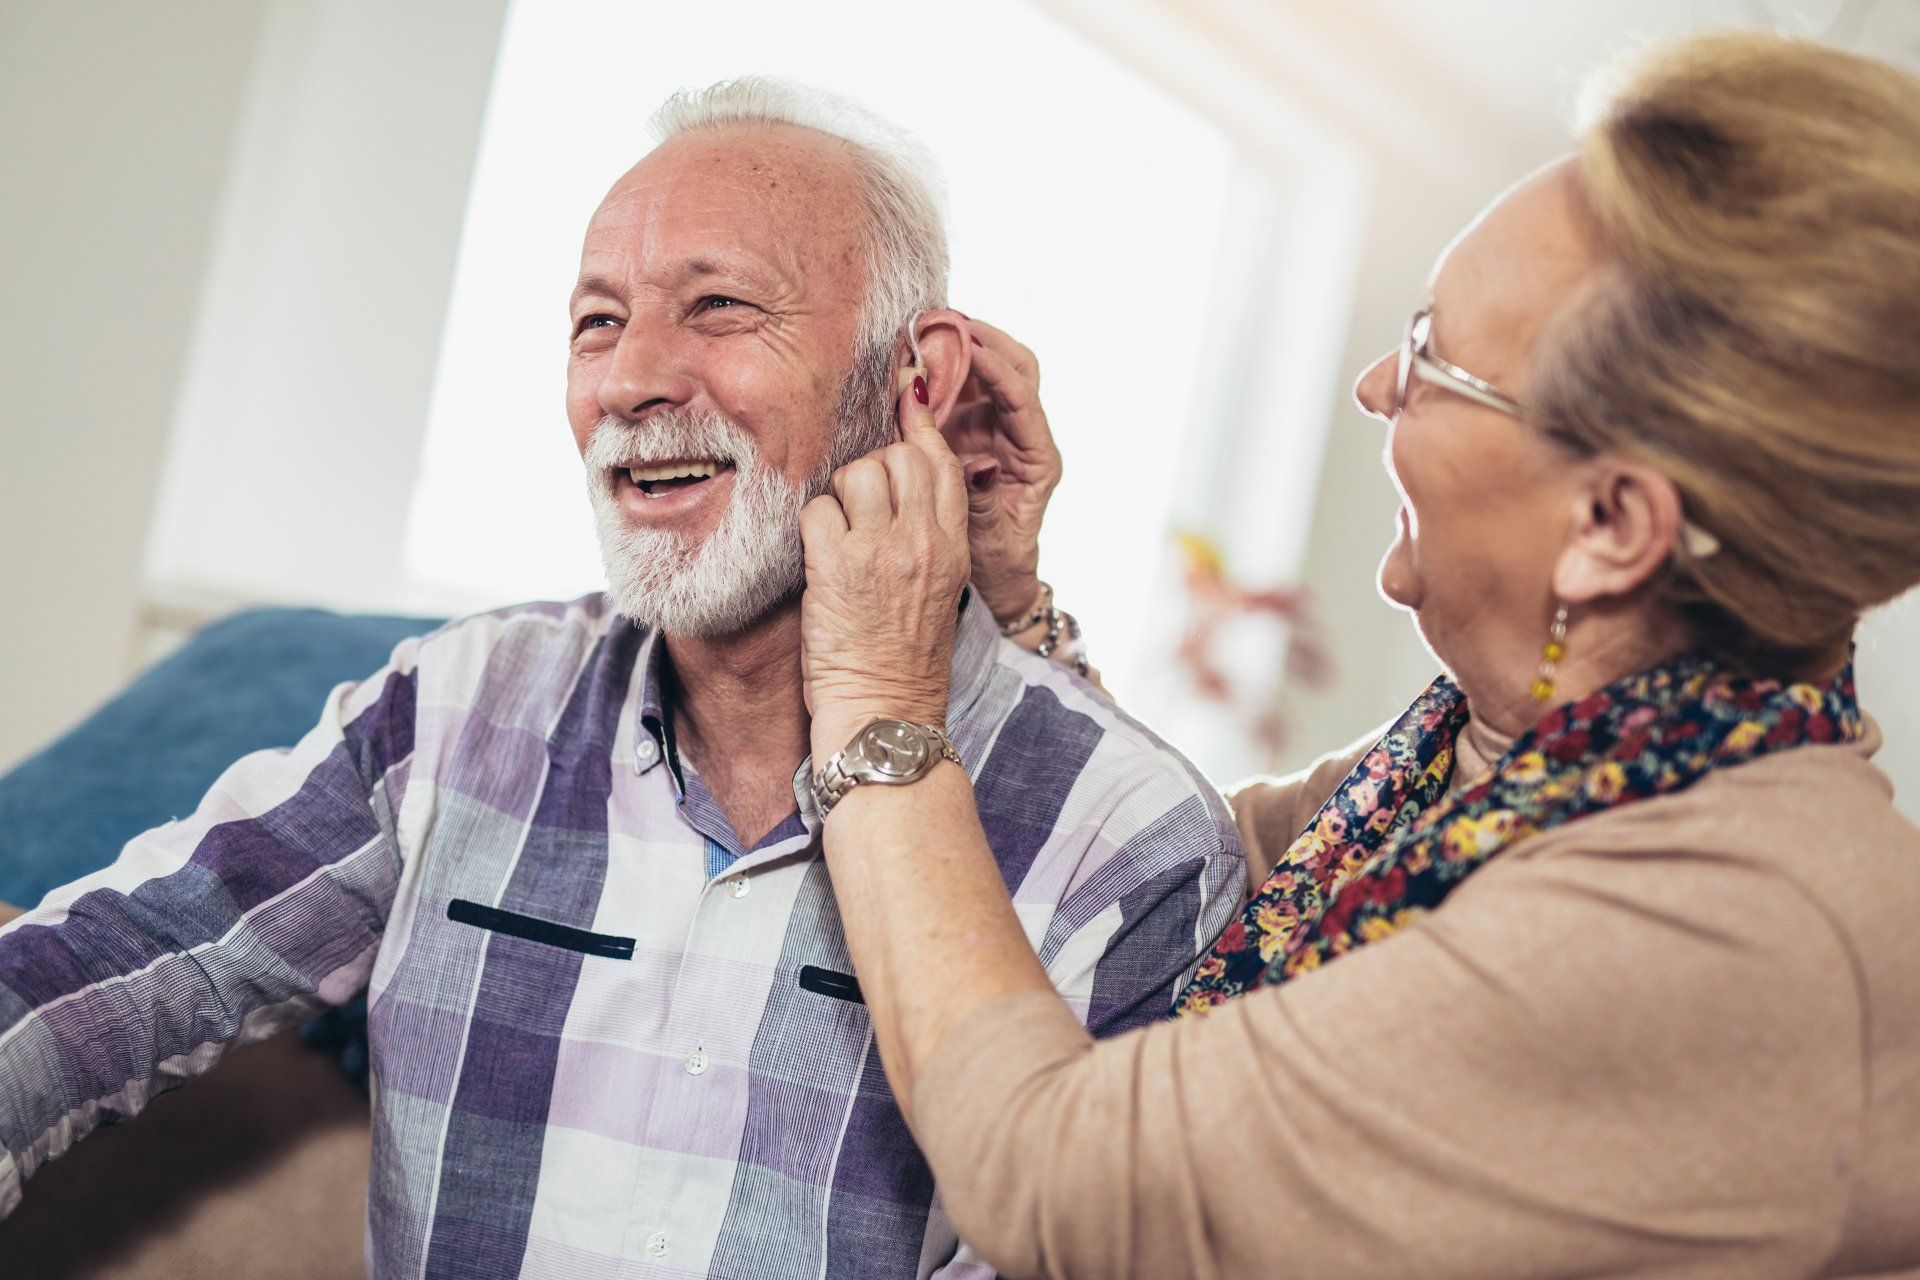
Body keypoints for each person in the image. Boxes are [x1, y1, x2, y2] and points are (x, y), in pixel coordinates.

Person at [0, 78, 1244, 1278]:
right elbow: (105, 965)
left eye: (719, 308)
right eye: (597, 321)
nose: (632, 382)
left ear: (916, 381)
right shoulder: (456, 707)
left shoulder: (1132, 842)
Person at [796, 32, 1920, 1280]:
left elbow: (1067, 1177)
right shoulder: (1509, 770)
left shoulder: (1717, 926)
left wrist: (876, 707)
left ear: (1609, 527)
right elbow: (1178, 883)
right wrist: (1014, 616)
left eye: (1437, 359)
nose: (1379, 384)